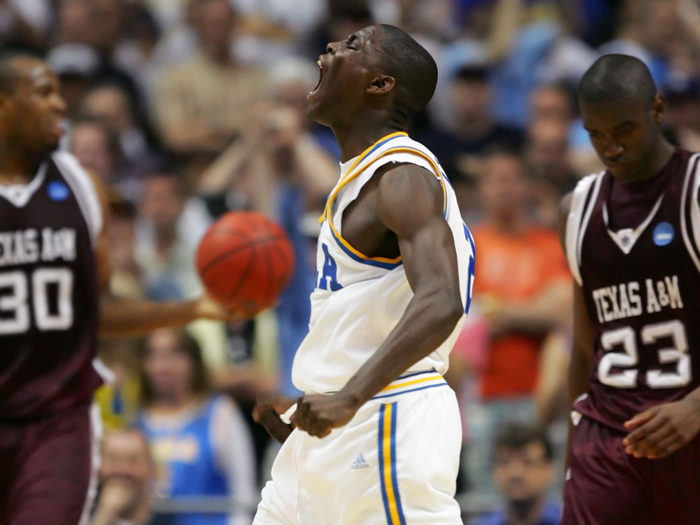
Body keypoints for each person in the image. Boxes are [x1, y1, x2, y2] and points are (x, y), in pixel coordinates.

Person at [0, 53, 237, 525]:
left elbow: (99, 309)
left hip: (57, 421)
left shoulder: (80, 187)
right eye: (43, 93)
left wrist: (194, 309)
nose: (59, 107)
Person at [252, 24, 476, 524]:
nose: (331, 48)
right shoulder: (362, 177)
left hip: (388, 416)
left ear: (380, 84)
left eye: (353, 46)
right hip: (333, 431)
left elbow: (443, 298)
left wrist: (350, 396)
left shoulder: (402, 178)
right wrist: (319, 400)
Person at [561, 54, 700, 524]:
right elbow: (583, 352)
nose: (610, 148)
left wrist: (696, 407)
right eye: (595, 134)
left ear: (656, 111)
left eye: (623, 131)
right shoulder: (577, 209)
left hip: (690, 429)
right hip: (607, 437)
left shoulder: (695, 192)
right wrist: (569, 460)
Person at [464, 150, 571, 495]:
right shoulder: (467, 245)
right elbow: (460, 316)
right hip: (481, 397)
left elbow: (561, 309)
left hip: (541, 399)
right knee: (485, 501)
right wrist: (530, 311)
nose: (503, 187)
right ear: (481, 189)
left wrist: (495, 309)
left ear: (528, 187)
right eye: (495, 178)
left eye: (512, 178)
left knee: (548, 501)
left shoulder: (548, 244)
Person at [136, 328, 257, 525]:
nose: (163, 366)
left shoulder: (220, 413)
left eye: (175, 354)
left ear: (193, 361)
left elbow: (243, 495)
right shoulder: (136, 421)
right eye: (153, 355)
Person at [471, 423, 561, 525]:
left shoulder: (569, 521)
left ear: (549, 469)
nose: (515, 473)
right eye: (505, 462)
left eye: (527, 462)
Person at [90, 429, 154, 525]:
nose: (122, 469)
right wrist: (104, 516)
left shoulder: (171, 515)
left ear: (150, 468)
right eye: (113, 459)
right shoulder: (77, 514)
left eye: (133, 460)